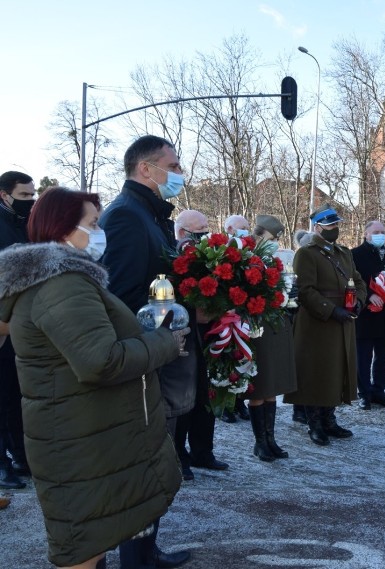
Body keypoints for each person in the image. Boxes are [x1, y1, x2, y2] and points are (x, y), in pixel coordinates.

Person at [0, 186, 186, 569]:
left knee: (94, 537)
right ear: (65, 229)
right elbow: (101, 361)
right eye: (93, 224)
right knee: (84, 547)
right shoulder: (61, 284)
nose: (100, 233)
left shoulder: (61, 280)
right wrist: (164, 342)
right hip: (79, 440)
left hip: (87, 431)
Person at [99, 135, 193, 568]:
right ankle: (135, 557)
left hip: (159, 351)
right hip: (145, 357)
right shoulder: (126, 217)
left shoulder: (149, 214)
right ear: (146, 169)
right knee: (144, 458)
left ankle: (145, 548)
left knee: (157, 455)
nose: (178, 173)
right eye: (172, 165)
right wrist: (174, 315)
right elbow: (123, 298)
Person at [284, 204, 366, 445]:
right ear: (317, 227)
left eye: (336, 224)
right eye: (330, 225)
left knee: (337, 371)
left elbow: (359, 282)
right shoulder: (307, 253)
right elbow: (306, 291)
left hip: (343, 321)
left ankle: (330, 419)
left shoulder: (343, 253)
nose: (335, 229)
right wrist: (331, 310)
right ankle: (315, 423)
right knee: (315, 373)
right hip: (317, 324)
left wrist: (358, 303)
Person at [172, 210, 228, 481]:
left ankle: (203, 451)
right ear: (182, 233)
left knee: (206, 396)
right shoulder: (173, 258)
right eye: (200, 230)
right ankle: (179, 455)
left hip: (209, 334)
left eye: (208, 228)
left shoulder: (211, 257)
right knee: (184, 399)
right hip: (183, 335)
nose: (206, 234)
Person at [246, 214, 298, 461]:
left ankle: (270, 439)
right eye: (272, 237)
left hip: (275, 324)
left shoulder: (274, 261)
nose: (276, 242)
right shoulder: (250, 260)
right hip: (258, 326)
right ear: (259, 235)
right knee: (260, 386)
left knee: (271, 386)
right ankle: (260, 442)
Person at [0, 170, 35, 490]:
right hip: (2, 323)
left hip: (19, 324)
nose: (31, 200)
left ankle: (21, 457)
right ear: (5, 195)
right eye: (24, 195)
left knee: (15, 394)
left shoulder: (23, 225)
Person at [352, 220, 385, 410]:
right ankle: (364, 393)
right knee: (363, 357)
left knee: (384, 356)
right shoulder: (355, 255)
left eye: (383, 231)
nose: (380, 235)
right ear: (366, 234)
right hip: (365, 314)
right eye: (376, 232)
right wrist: (369, 295)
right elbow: (351, 281)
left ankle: (379, 391)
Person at [219, 214, 252, 423]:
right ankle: (225, 404)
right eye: (242, 228)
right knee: (226, 360)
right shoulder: (220, 250)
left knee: (243, 359)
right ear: (230, 229)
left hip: (245, 312)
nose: (246, 231)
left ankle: (239, 400)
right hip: (226, 315)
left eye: (248, 227)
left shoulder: (249, 252)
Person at [289, 229, 313, 425]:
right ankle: (299, 409)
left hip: (316, 319)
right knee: (302, 366)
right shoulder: (300, 260)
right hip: (302, 318)